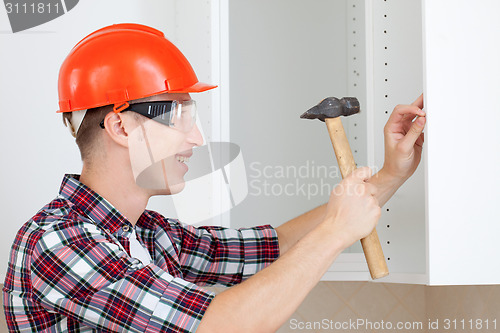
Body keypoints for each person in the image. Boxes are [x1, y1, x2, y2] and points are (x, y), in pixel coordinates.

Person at [3, 23, 426, 332]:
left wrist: (390, 176)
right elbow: (221, 326)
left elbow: (270, 247)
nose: (197, 138)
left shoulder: (151, 234)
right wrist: (335, 232)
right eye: (178, 116)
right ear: (120, 127)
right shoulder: (57, 241)